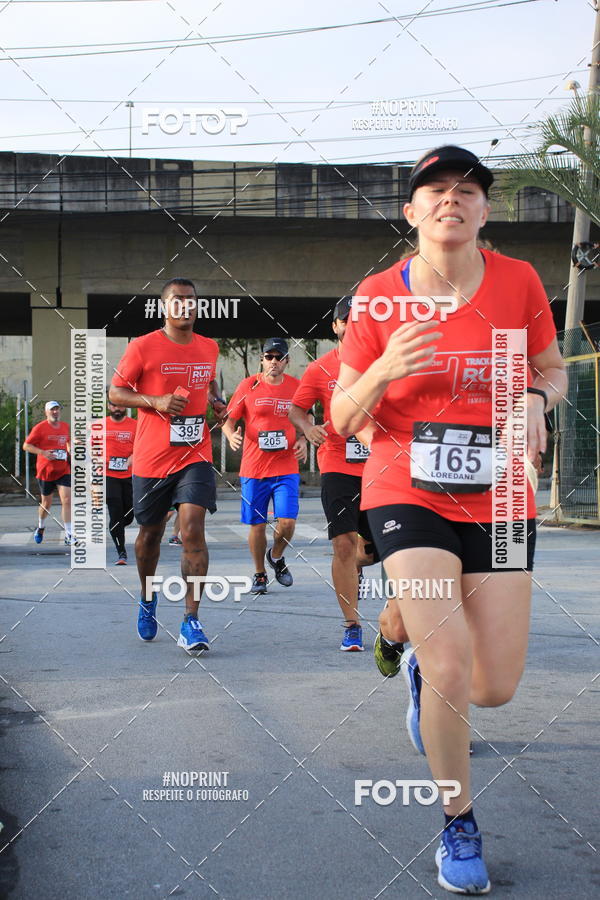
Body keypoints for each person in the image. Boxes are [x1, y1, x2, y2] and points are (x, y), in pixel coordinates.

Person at [331, 145, 567, 895]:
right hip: (407, 486)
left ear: (485, 210)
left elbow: (553, 369)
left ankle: (407, 646)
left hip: (499, 494)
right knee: (453, 667)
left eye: (468, 189)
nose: (451, 199)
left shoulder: (520, 282)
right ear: (412, 212)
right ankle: (457, 822)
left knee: (493, 687)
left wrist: (533, 397)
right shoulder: (377, 297)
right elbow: (340, 415)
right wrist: (383, 368)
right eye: (434, 190)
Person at [109, 277, 226, 651]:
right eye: (178, 300)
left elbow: (208, 386)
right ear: (165, 307)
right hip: (152, 459)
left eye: (192, 300)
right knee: (149, 537)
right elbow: (115, 392)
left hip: (195, 454)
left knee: (192, 528)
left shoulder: (210, 347)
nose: (186, 306)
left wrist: (218, 403)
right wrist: (155, 402)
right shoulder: (143, 347)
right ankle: (147, 596)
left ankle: (192, 621)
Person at [289, 296, 378, 652]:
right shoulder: (320, 368)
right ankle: (352, 624)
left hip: (379, 465)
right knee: (342, 543)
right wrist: (307, 429)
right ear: (336, 326)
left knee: (369, 552)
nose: (353, 325)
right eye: (347, 320)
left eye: (360, 319)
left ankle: (358, 564)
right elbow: (297, 409)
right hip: (337, 464)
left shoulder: (381, 364)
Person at [222, 338, 307, 594]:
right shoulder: (249, 385)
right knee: (257, 525)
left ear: (286, 361)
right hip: (255, 469)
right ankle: (259, 574)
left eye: (278, 357)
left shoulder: (296, 386)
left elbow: (307, 416)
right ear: (262, 359)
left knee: (288, 523)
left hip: (286, 467)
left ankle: (277, 556)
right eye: (269, 357)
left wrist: (303, 438)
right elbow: (229, 418)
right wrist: (229, 435)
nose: (273, 362)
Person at [23, 400, 73, 546]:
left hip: (63, 469)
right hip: (46, 471)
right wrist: (43, 452)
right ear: (46, 412)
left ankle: (69, 534)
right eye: (52, 410)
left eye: (57, 409)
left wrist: (71, 450)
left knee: (67, 501)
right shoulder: (40, 428)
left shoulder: (65, 426)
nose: (55, 412)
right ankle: (41, 527)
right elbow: (26, 445)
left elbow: (68, 441)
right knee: (46, 503)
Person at [103, 395, 137, 565]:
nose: (117, 408)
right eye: (114, 405)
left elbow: (140, 447)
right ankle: (121, 553)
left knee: (129, 515)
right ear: (109, 406)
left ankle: (116, 527)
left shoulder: (134, 425)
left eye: (120, 405)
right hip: (108, 477)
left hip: (129, 476)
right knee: (116, 512)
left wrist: (129, 461)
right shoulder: (99, 426)